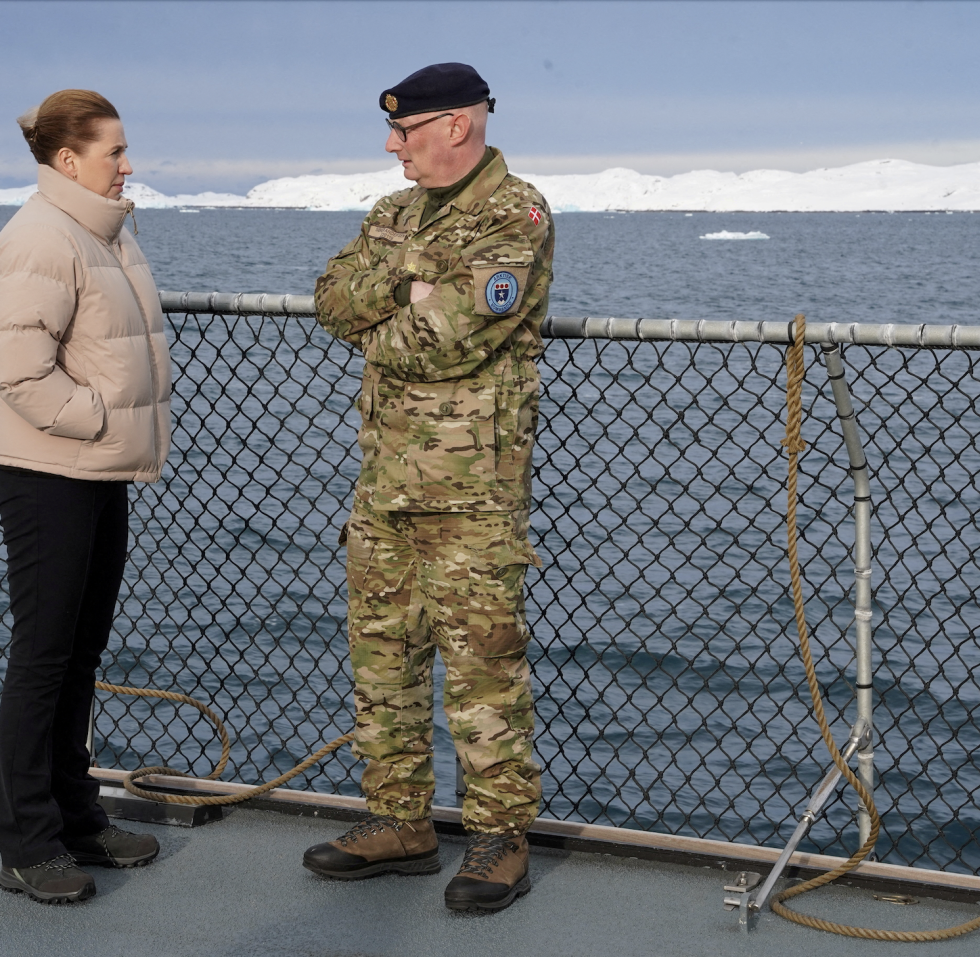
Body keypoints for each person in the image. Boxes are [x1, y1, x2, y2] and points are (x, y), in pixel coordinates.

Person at [304, 63, 555, 914]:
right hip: (384, 485)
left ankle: (498, 837)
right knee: (383, 663)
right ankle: (398, 820)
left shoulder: (514, 215)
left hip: (471, 493)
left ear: (457, 125)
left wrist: (397, 309)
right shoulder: (393, 214)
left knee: (483, 671)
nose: (391, 146)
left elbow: (446, 338)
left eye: (405, 132)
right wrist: (402, 291)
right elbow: (331, 299)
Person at [0, 89, 172, 905]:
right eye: (114, 151)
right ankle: (28, 843)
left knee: (81, 652)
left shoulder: (103, 231)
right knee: (44, 655)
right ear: (69, 160)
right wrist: (97, 420)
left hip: (94, 469)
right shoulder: (38, 238)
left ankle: (75, 815)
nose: (128, 165)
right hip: (50, 472)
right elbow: (19, 371)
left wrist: (107, 436)